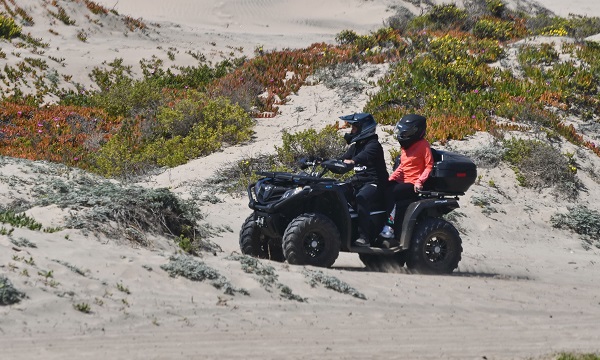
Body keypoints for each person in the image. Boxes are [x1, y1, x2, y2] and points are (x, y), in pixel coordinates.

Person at [380, 114, 434, 243]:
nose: (403, 134)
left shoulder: (423, 145)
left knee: (391, 193)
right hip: (402, 181)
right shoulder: (406, 146)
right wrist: (390, 179)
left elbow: (429, 165)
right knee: (381, 188)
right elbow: (403, 167)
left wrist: (419, 182)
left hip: (412, 183)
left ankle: (390, 227)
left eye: (406, 131)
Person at [339, 113, 389, 247]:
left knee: (362, 198)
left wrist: (353, 161)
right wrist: (322, 161)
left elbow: (364, 156)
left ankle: (364, 237)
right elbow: (342, 159)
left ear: (364, 128)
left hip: (374, 183)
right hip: (357, 182)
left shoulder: (374, 145)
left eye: (354, 128)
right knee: (336, 192)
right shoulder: (356, 146)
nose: (352, 131)